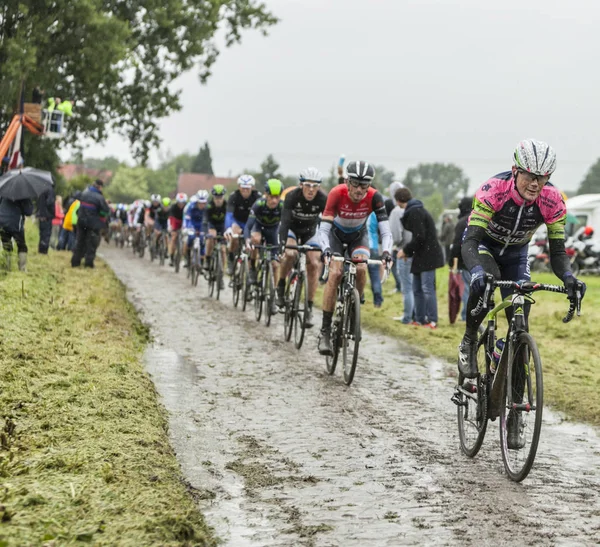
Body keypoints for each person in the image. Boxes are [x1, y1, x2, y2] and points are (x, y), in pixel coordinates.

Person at [458, 139, 586, 450]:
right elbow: (471, 241)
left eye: (542, 177)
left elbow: (557, 252)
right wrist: (476, 270)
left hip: (516, 255)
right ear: (516, 170)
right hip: (485, 248)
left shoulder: (553, 201)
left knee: (521, 326)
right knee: (484, 285)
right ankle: (470, 339)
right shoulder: (493, 190)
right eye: (529, 175)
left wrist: (569, 277)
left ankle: (514, 414)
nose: (535, 183)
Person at [317, 161, 392, 355]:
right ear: (347, 182)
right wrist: (325, 249)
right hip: (335, 236)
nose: (360, 189)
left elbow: (386, 231)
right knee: (334, 273)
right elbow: (324, 229)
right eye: (356, 184)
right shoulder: (336, 193)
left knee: (360, 267)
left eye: (365, 185)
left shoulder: (375, 197)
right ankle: (324, 330)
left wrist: (387, 252)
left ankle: (354, 308)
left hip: (358, 236)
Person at [277, 167, 327, 326]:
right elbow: (284, 223)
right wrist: (282, 245)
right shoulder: (292, 196)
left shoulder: (322, 199)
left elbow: (327, 225)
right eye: (308, 185)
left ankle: (309, 308)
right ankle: (281, 285)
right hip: (292, 229)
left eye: (315, 186)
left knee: (313, 263)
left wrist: (327, 248)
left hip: (309, 232)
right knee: (290, 254)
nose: (311, 190)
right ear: (301, 185)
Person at [396, 188, 444, 329]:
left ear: (398, 201)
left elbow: (420, 237)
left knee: (427, 289)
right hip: (420, 255)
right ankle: (419, 319)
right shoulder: (415, 209)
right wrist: (409, 253)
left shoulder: (415, 211)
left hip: (428, 256)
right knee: (417, 288)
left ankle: (432, 320)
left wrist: (405, 250)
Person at [244, 179, 284, 304]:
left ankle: (274, 294)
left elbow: (285, 227)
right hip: (258, 227)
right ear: (266, 195)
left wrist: (282, 247)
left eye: (277, 197)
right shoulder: (259, 204)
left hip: (273, 230)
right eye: (271, 197)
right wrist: (247, 240)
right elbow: (248, 227)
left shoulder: (282, 206)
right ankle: (252, 269)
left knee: (275, 264)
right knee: (255, 239)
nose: (274, 201)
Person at [224, 174, 260, 274]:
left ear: (252, 188)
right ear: (239, 187)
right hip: (238, 222)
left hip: (251, 223)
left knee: (254, 241)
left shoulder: (257, 197)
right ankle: (231, 259)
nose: (245, 190)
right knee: (235, 236)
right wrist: (228, 228)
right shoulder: (233, 196)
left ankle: (252, 266)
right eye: (243, 188)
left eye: (247, 188)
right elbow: (229, 215)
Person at [71, 179, 110, 268]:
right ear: (100, 187)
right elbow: (105, 211)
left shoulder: (84, 193)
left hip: (81, 222)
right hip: (93, 224)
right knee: (91, 244)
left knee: (79, 241)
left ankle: (75, 262)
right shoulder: (99, 197)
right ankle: (88, 263)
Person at [390, 190, 414, 323]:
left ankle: (407, 317)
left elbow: (396, 235)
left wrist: (395, 245)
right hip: (414, 251)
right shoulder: (414, 209)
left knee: (406, 288)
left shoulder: (396, 211)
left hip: (403, 251)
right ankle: (415, 315)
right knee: (414, 287)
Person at [449, 196, 473, 321]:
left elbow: (457, 243)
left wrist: (453, 260)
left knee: (466, 289)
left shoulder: (462, 222)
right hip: (479, 260)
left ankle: (466, 315)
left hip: (465, 261)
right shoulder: (478, 219)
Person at [203, 185, 228, 288]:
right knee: (210, 240)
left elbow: (230, 219)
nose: (218, 200)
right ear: (213, 197)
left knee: (223, 250)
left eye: (220, 197)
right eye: (216, 197)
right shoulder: (209, 205)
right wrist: (207, 231)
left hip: (222, 227)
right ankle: (208, 261)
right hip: (212, 225)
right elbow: (205, 220)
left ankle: (221, 274)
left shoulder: (227, 205)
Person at [0, 197, 33, 271]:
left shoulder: (4, 191)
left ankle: (5, 269)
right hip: (15, 224)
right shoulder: (24, 195)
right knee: (22, 246)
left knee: (6, 246)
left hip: (2, 222)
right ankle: (22, 269)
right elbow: (28, 212)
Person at [366, 211, 384, 307]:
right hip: (374, 246)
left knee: (359, 272)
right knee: (375, 275)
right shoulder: (375, 213)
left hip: (361, 246)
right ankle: (378, 300)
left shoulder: (360, 211)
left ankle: (359, 296)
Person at [168, 193, 187, 266]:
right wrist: (171, 227)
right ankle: (171, 257)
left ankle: (185, 257)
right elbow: (171, 218)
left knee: (186, 239)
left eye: (183, 203)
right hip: (175, 223)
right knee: (173, 238)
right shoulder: (173, 207)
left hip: (184, 223)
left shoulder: (187, 207)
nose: (181, 204)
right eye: (179, 202)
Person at [36, 187, 55, 254]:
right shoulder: (50, 189)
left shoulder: (41, 189)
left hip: (41, 215)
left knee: (42, 234)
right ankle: (44, 251)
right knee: (46, 234)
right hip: (47, 216)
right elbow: (50, 202)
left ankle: (40, 250)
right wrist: (53, 213)